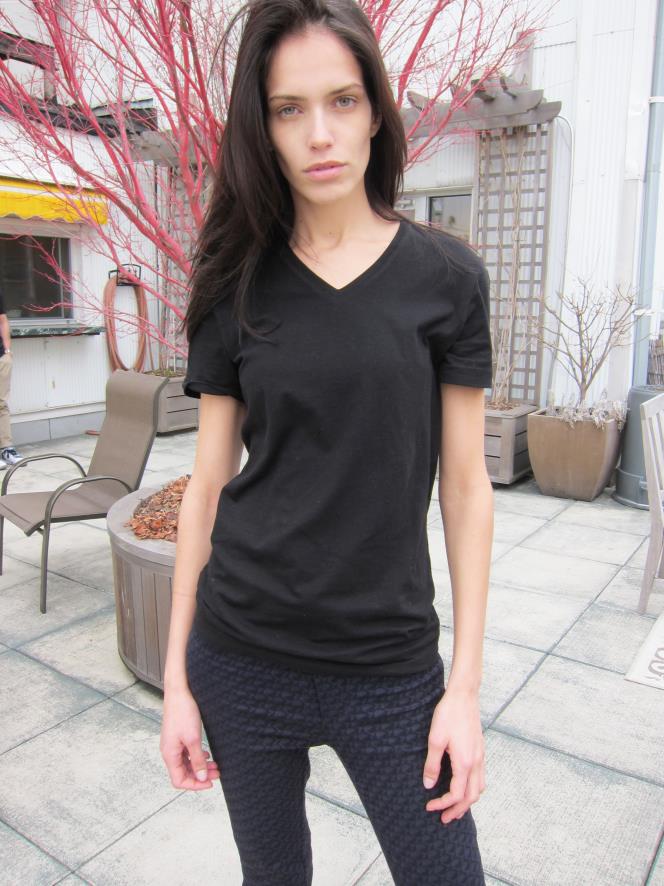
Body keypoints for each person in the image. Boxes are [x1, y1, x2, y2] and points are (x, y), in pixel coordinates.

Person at [160, 1, 494, 883]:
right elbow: (206, 485)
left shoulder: (448, 279)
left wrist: (463, 688)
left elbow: (466, 487)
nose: (319, 134)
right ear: (262, 127)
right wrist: (176, 681)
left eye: (342, 100)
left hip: (388, 665)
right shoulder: (233, 283)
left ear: (376, 110)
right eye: (289, 108)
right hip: (241, 654)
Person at [0, 289, 22, 469]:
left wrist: (7, 351)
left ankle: (6, 449)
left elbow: (2, 320)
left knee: (1, 404)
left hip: (1, 357)